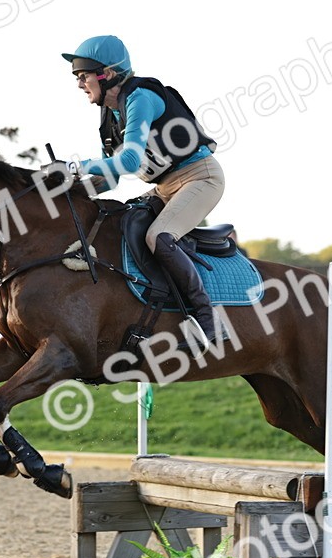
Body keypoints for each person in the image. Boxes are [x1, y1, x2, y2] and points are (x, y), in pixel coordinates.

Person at [62, 35, 225, 351]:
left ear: (105, 74)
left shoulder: (140, 97)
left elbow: (129, 161)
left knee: (158, 237)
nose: (79, 84)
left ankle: (209, 322)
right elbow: (110, 179)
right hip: (165, 188)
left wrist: (75, 166)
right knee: (125, 225)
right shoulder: (109, 117)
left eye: (82, 76)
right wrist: (68, 189)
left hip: (201, 179)